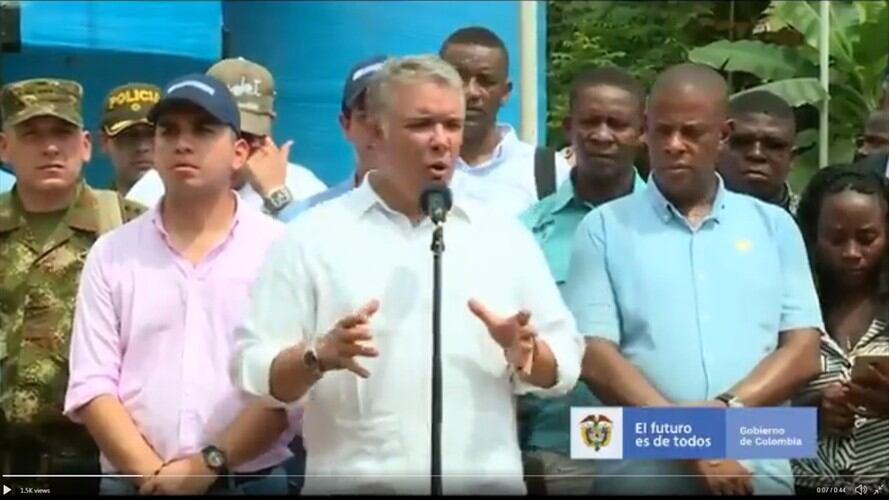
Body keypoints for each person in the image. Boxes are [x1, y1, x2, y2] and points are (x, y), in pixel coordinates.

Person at [235, 54, 584, 495]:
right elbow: (254, 372)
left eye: (452, 125)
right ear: (377, 133)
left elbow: (566, 361)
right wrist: (317, 356)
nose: (441, 141)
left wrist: (532, 356)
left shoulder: (503, 237)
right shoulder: (311, 238)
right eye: (421, 125)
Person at [564, 63, 823, 495]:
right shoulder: (604, 228)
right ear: (645, 129)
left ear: (723, 135)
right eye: (661, 131)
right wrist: (696, 441)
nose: (673, 145)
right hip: (640, 477)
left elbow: (803, 352)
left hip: (755, 472)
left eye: (691, 133)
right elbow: (594, 356)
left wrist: (724, 414)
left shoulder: (774, 227)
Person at [63, 73, 294, 495]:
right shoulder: (112, 252)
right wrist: (153, 476)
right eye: (168, 131)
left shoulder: (279, 249)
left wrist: (208, 466)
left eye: (203, 130)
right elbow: (92, 383)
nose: (182, 143)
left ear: (239, 151)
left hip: (249, 480)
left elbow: (285, 389)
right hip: (134, 483)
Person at [0, 78, 143, 495]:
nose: (49, 148)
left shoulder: (133, 226)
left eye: (61, 134)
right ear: (4, 148)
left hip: (94, 467)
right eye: (32, 135)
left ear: (84, 145)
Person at [517, 66, 646, 495]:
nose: (603, 135)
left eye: (617, 124)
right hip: (560, 446)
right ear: (569, 127)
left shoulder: (676, 230)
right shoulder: (528, 232)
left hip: (655, 444)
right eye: (590, 122)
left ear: (642, 131)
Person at [791, 165, 889, 494]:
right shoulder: (787, 315)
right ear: (812, 237)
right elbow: (742, 428)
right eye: (836, 239)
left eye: (866, 238)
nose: (851, 253)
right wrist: (811, 418)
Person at [127, 57, 327, 217]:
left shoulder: (302, 186)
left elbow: (322, 261)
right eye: (210, 131)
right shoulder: (155, 185)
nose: (237, 146)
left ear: (269, 125)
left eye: (248, 135)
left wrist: (277, 196)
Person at [440, 26, 572, 215]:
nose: (472, 92)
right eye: (459, 77)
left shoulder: (549, 172)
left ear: (505, 92)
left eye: (485, 81)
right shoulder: (408, 168)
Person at [278, 55, 387, 222]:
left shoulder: (436, 214)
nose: (380, 127)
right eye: (365, 116)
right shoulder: (304, 219)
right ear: (346, 125)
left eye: (391, 115)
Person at [719, 90, 800, 214]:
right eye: (741, 142)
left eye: (774, 145)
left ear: (792, 158)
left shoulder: (812, 222)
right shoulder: (685, 215)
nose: (756, 154)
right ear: (718, 145)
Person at [99, 83, 160, 196]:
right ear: (104, 141)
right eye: (128, 136)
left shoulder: (199, 209)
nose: (142, 147)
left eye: (152, 134)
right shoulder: (94, 212)